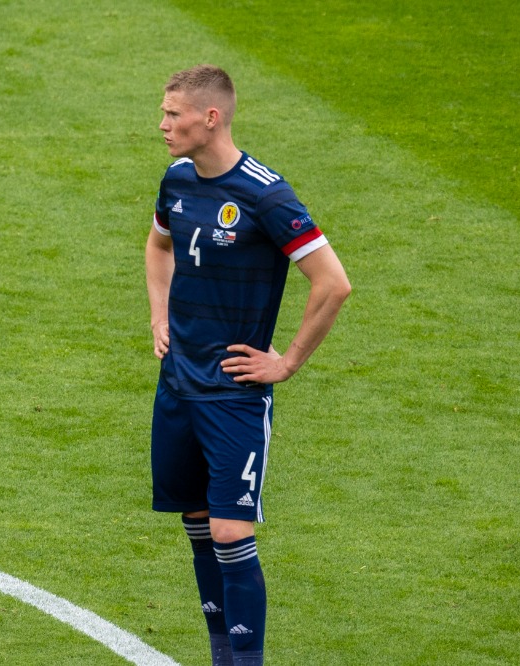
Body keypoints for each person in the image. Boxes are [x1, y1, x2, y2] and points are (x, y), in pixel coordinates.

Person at [145, 65, 350, 665]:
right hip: (178, 384)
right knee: (199, 525)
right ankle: (221, 655)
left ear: (211, 118)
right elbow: (159, 244)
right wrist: (159, 317)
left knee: (233, 533)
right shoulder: (178, 179)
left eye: (173, 113)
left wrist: (285, 363)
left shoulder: (265, 195)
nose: (162, 124)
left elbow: (332, 283)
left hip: (233, 393)